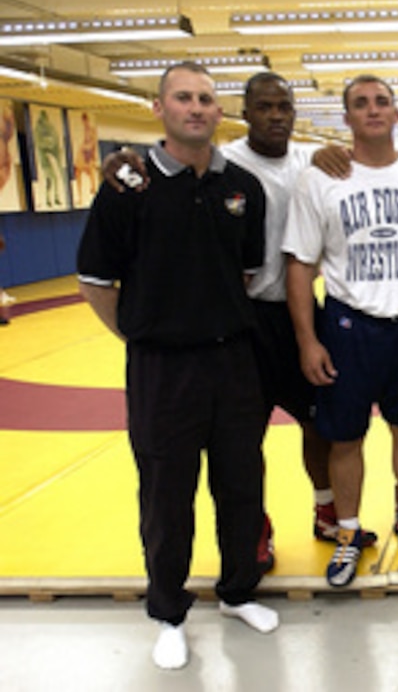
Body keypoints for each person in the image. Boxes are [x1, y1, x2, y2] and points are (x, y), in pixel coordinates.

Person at [100, 72, 367, 573]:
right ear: (244, 112)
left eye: (283, 107)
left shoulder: (313, 162)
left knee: (322, 422)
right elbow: (161, 169)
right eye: (263, 107)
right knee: (243, 439)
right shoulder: (225, 166)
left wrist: (339, 148)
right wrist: (119, 160)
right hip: (242, 319)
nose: (275, 116)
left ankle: (327, 508)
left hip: (301, 313)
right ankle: (255, 528)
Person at [76, 62, 278, 671]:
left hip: (234, 363)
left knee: (242, 483)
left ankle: (239, 589)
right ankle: (168, 611)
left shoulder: (242, 187)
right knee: (167, 494)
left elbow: (246, 272)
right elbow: (95, 279)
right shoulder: (126, 186)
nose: (197, 107)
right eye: (184, 98)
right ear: (160, 107)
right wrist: (141, 334)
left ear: (220, 113)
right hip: (162, 369)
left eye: (207, 99)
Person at [283, 74, 398, 588]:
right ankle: (347, 534)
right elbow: (300, 264)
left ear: (397, 113)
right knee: (344, 438)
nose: (372, 110)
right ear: (347, 118)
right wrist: (307, 338)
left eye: (382, 101)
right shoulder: (320, 179)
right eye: (360, 103)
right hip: (347, 325)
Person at [34, 109, 64, 207]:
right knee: (51, 179)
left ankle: (53, 198)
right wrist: (47, 143)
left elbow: (55, 140)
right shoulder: (38, 129)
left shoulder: (49, 128)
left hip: (50, 156)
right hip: (44, 160)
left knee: (53, 179)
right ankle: (49, 199)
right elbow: (39, 143)